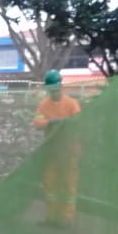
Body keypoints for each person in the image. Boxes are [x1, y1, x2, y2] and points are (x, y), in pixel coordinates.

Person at [32, 70, 81, 225]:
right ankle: (52, 217)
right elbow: (37, 123)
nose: (53, 93)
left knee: (68, 184)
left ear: (60, 86)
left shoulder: (72, 103)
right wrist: (49, 122)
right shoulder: (43, 105)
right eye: (50, 91)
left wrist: (65, 122)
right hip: (51, 150)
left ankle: (66, 218)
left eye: (55, 90)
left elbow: (79, 122)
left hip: (68, 149)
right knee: (51, 184)